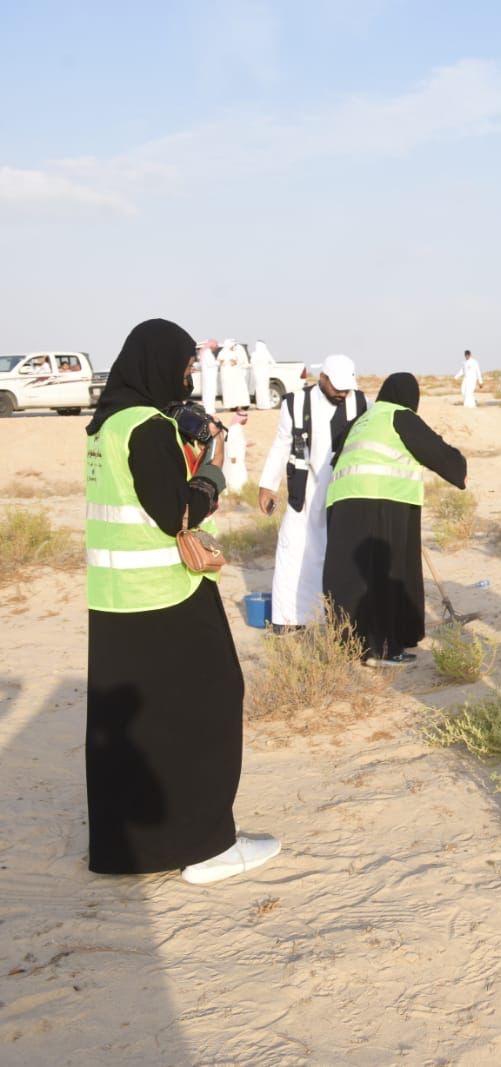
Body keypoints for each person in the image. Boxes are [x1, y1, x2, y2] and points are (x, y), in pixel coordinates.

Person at [84, 318, 279, 885]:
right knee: (209, 704)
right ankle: (207, 847)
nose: (189, 375)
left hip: (115, 601)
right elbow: (178, 513)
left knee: (138, 724)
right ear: (160, 364)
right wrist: (212, 468)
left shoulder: (105, 426)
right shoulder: (147, 428)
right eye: (187, 365)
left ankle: (127, 850)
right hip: (166, 594)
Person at [323, 373, 467, 666]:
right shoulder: (399, 415)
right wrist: (458, 467)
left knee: (352, 577)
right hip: (381, 501)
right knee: (385, 572)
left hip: (342, 501)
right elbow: (436, 451)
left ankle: (351, 646)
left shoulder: (361, 420)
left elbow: (337, 457)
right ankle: (383, 648)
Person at [257, 355, 367, 633]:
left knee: (340, 554)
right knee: (294, 550)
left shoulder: (362, 403)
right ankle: (289, 619)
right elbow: (281, 444)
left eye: (346, 388)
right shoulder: (295, 403)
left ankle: (342, 619)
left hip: (344, 491)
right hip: (304, 491)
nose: (342, 393)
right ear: (323, 378)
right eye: (337, 387)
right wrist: (268, 485)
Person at [222, 409, 249, 495]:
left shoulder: (238, 428)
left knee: (238, 474)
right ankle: (235, 492)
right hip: (233, 458)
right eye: (246, 419)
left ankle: (237, 492)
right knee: (234, 474)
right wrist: (232, 455)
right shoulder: (234, 429)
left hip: (238, 457)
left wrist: (246, 444)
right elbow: (229, 442)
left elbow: (238, 442)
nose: (247, 420)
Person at [218, 339, 250, 411]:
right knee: (228, 391)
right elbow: (220, 362)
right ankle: (230, 406)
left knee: (236, 390)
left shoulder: (235, 352)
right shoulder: (222, 353)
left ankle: (237, 405)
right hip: (226, 376)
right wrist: (227, 362)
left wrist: (236, 362)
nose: (233, 347)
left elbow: (240, 361)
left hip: (235, 375)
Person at [249, 340, 275, 410]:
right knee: (261, 389)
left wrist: (267, 369)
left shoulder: (255, 354)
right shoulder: (262, 354)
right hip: (260, 374)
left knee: (262, 389)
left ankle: (263, 405)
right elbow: (273, 363)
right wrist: (267, 368)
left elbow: (252, 363)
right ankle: (261, 405)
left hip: (261, 374)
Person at [196, 339, 219, 414]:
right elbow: (211, 364)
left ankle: (208, 408)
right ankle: (210, 409)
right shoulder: (207, 353)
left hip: (207, 377)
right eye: (216, 345)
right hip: (210, 377)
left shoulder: (204, 353)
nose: (216, 347)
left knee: (207, 393)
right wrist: (219, 362)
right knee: (210, 393)